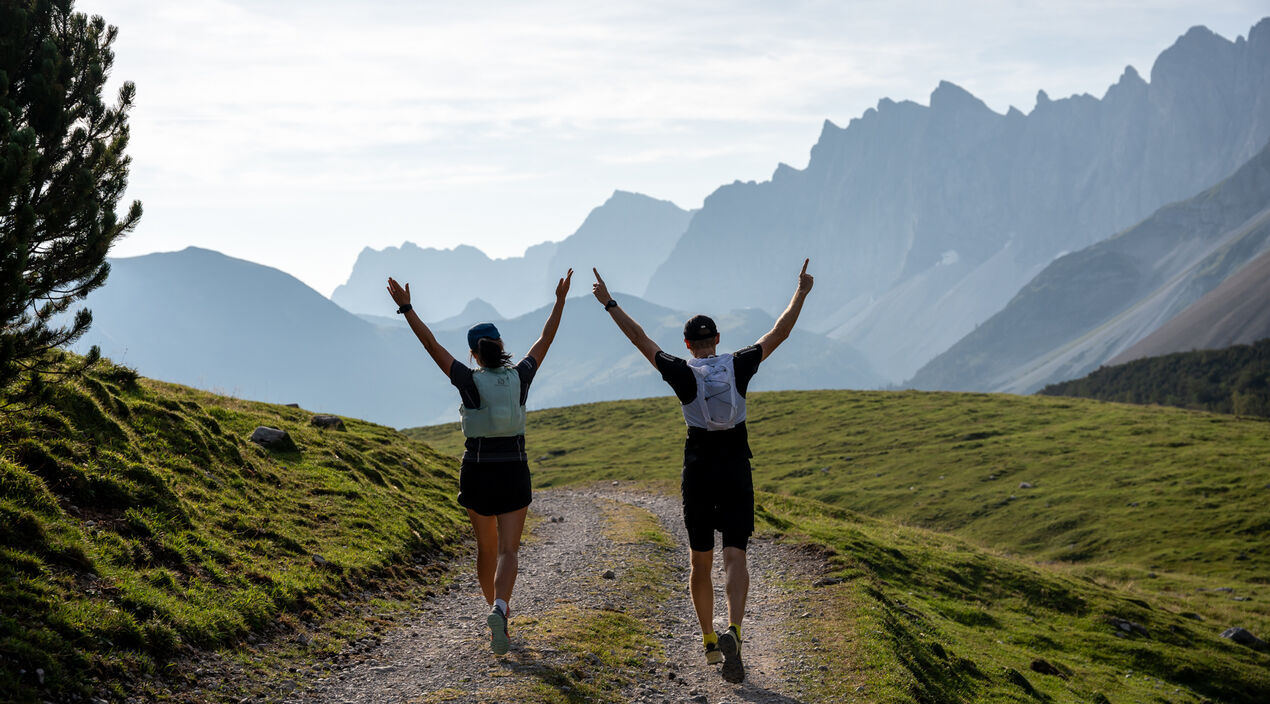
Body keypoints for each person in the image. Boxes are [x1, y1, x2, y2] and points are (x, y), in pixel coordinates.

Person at [591, 260, 813, 684]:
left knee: (700, 560)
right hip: (735, 467)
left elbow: (640, 339)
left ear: (689, 345)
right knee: (736, 554)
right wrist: (801, 291)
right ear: (716, 340)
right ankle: (736, 631)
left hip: (698, 468)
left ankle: (710, 640)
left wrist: (609, 302)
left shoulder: (681, 370)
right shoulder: (738, 364)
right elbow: (779, 332)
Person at [386, 269, 573, 655]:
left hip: (476, 471)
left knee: (486, 549)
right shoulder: (521, 375)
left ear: (474, 353)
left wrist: (406, 307)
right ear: (501, 345)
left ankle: (493, 614)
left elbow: (430, 344)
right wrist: (559, 300)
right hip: (514, 469)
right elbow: (546, 338)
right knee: (509, 550)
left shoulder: (467, 380)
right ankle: (500, 611)